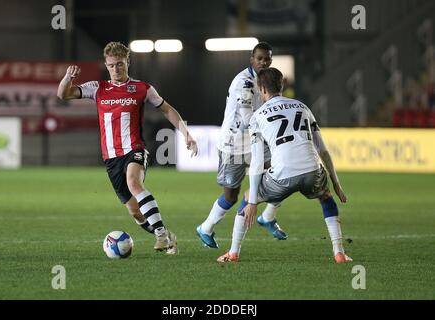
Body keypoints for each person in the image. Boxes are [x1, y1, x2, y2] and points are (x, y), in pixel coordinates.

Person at [57, 41, 198, 255]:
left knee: (134, 182)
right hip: (111, 158)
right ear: (106, 65)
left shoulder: (142, 88)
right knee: (135, 212)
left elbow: (167, 110)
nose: (116, 69)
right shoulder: (98, 88)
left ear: (128, 62)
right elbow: (63, 94)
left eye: (120, 64)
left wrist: (186, 133)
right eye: (112, 65)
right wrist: (68, 77)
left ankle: (160, 235)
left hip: (135, 149)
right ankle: (168, 236)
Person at [217, 68, 352, 263]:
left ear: (262, 89)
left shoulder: (257, 116)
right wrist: (336, 183)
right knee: (326, 198)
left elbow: (256, 161)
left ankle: (233, 253)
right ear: (282, 86)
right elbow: (323, 150)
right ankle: (339, 252)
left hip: (282, 176)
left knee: (246, 198)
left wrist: (253, 201)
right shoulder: (302, 107)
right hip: (312, 171)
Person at [196, 42, 287, 249]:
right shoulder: (244, 83)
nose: (264, 62)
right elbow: (247, 118)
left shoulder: (268, 80)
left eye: (267, 58)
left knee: (283, 170)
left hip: (256, 141)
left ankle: (268, 216)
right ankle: (206, 228)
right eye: (260, 58)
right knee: (231, 196)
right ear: (251, 59)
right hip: (234, 144)